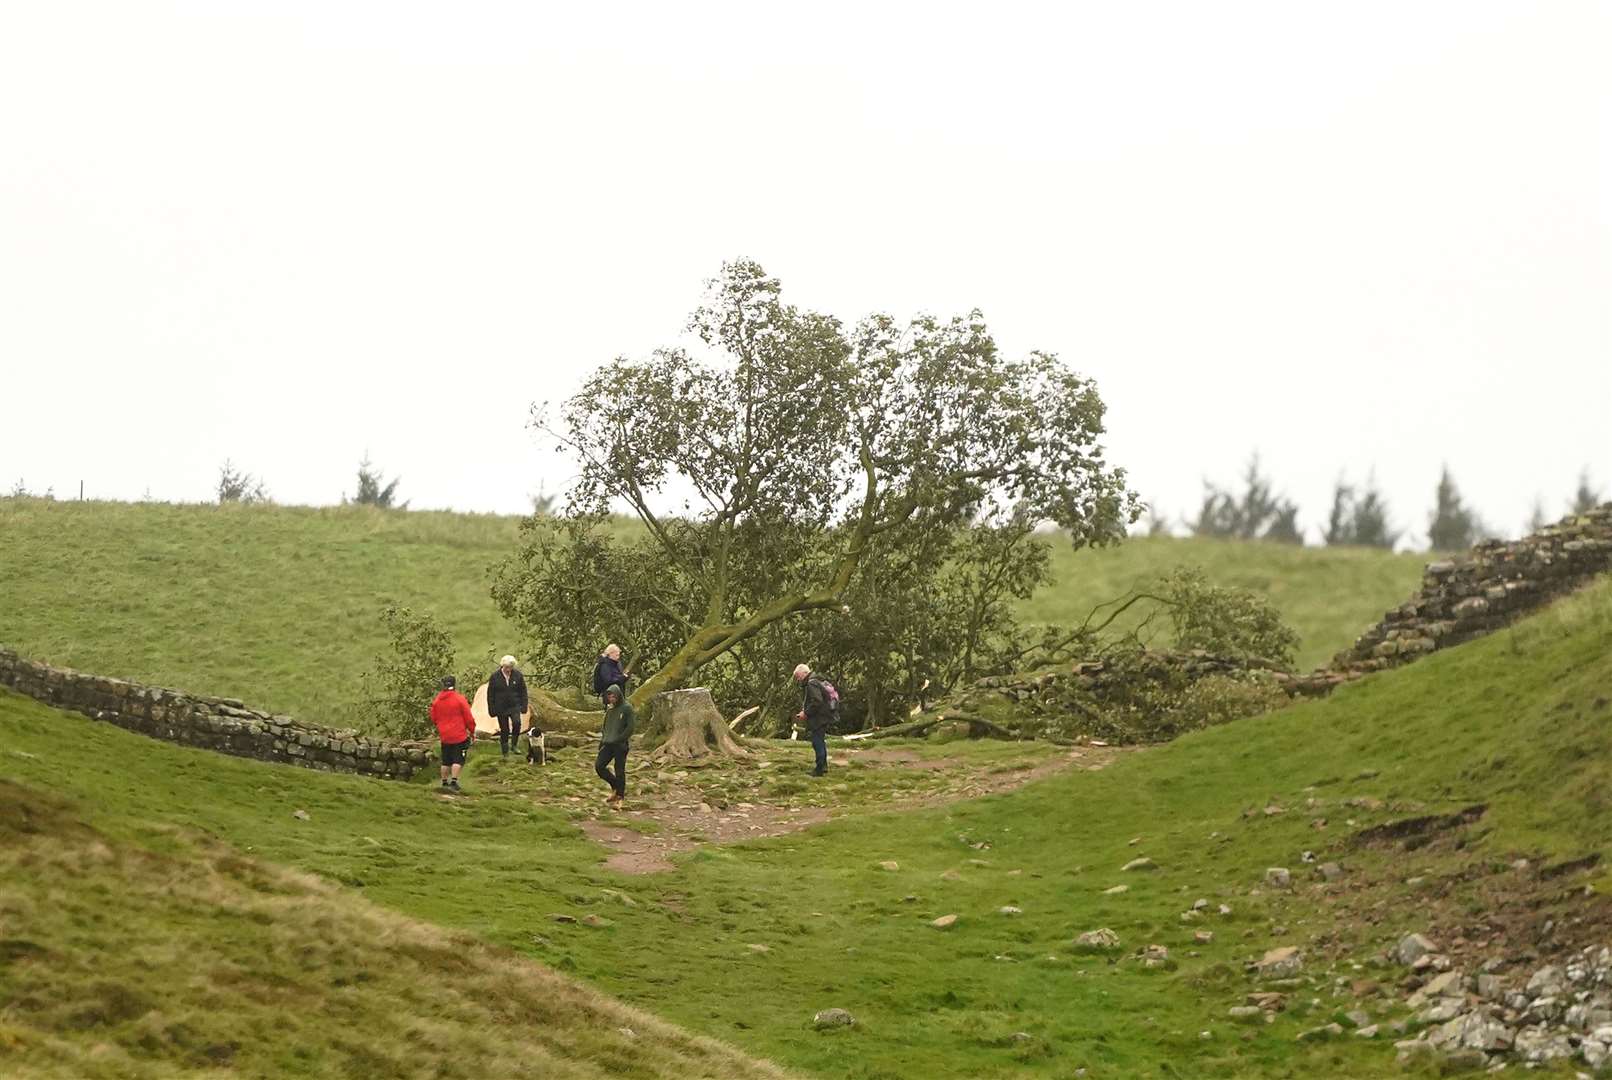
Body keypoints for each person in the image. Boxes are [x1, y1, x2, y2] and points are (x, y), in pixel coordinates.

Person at [429, 675, 476, 795]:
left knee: (446, 760)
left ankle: (444, 782)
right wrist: (472, 730)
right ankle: (454, 782)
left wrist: (441, 726)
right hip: (459, 734)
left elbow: (433, 718)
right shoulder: (459, 699)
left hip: (445, 735)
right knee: (458, 759)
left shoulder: (437, 701)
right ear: (454, 685)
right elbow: (468, 718)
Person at [594, 683, 636, 807]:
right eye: (609, 697)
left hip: (620, 745)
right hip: (608, 744)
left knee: (619, 770)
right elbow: (605, 727)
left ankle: (620, 796)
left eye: (613, 697)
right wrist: (602, 741)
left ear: (618, 695)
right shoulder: (610, 710)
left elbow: (630, 727)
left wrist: (620, 739)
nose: (611, 699)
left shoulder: (627, 708)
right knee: (599, 766)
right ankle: (616, 787)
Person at [793, 663, 832, 777]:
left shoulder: (811, 683)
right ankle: (823, 766)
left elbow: (817, 701)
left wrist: (806, 713)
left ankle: (819, 769)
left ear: (805, 672)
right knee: (820, 740)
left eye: (798, 676)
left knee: (817, 742)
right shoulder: (818, 680)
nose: (798, 679)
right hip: (825, 715)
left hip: (819, 718)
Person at [488, 654, 529, 756]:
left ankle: (514, 745)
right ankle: (505, 750)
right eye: (506, 667)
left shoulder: (518, 675)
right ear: (502, 666)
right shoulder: (494, 677)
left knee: (517, 723)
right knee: (504, 729)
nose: (508, 669)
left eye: (510, 667)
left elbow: (523, 692)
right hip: (500, 707)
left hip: (514, 705)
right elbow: (490, 694)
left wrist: (524, 706)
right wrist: (492, 709)